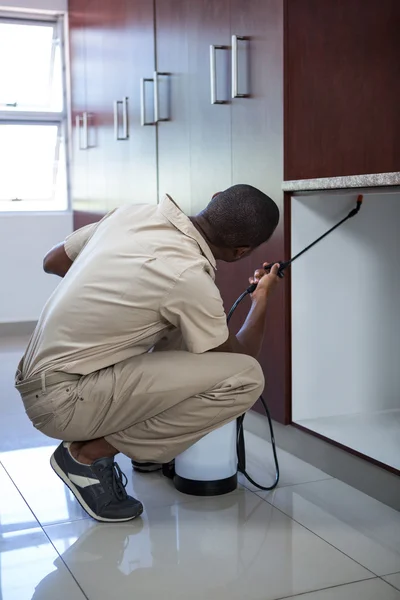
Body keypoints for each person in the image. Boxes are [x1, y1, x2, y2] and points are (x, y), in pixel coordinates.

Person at [15, 184, 281, 523]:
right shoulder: (189, 276)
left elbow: (53, 261)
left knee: (178, 322)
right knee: (245, 379)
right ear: (240, 252)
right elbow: (241, 362)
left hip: (39, 377)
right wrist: (262, 299)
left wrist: (119, 290)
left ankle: (142, 451)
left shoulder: (133, 213)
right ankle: (85, 457)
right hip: (63, 404)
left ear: (213, 198)